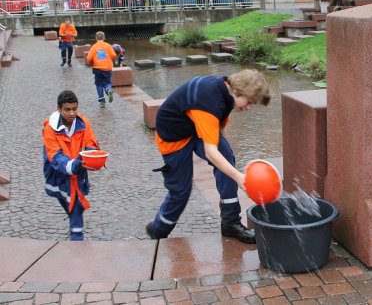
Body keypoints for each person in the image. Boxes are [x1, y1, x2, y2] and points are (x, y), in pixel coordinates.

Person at [146, 69, 271, 244]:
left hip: (195, 129)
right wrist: (239, 177)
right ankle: (158, 229)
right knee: (180, 191)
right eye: (249, 101)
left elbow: (217, 130)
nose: (249, 107)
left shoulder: (226, 93)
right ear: (237, 91)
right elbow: (212, 153)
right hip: (173, 136)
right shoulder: (209, 101)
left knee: (225, 158)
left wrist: (225, 154)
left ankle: (230, 222)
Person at [42, 90, 99, 241]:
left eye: (75, 108)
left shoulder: (84, 123)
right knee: (72, 205)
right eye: (67, 109)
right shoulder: (49, 130)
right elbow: (55, 156)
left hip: (77, 175)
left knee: (75, 206)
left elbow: (90, 142)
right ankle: (76, 235)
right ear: (59, 109)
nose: (72, 113)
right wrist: (75, 165)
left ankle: (76, 237)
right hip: (58, 176)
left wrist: (91, 155)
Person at [87, 31, 116, 108]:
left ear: (96, 38)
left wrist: (91, 64)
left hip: (97, 68)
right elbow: (113, 55)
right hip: (107, 68)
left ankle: (102, 101)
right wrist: (111, 61)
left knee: (99, 84)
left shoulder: (94, 47)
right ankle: (108, 89)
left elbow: (89, 58)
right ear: (104, 38)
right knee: (107, 82)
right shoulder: (108, 46)